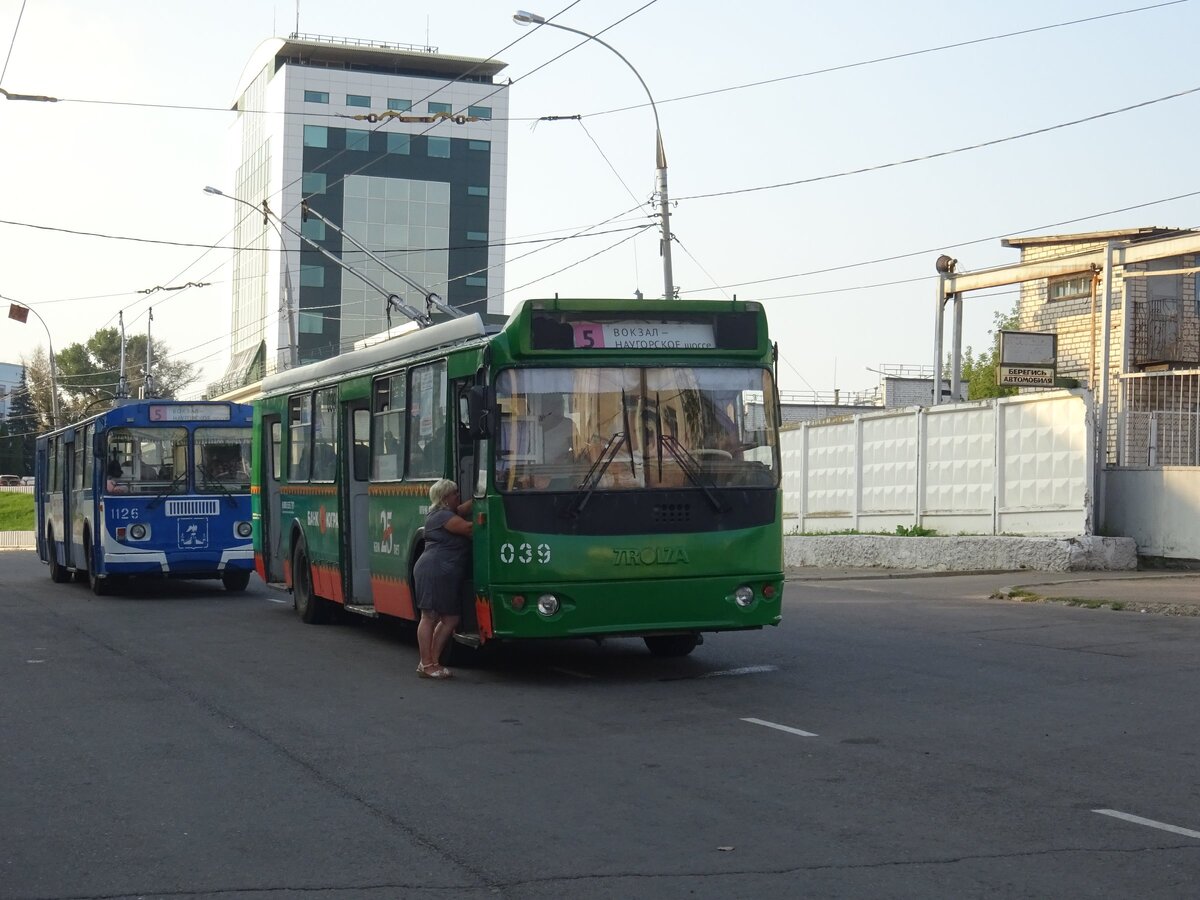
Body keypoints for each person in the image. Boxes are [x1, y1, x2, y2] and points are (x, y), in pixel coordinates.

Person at [413, 478, 473, 679]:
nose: (458, 496)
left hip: (443, 571)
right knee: (429, 616)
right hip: (434, 570)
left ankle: (432, 661)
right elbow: (470, 529)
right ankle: (427, 664)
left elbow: (465, 508)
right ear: (446, 498)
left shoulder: (445, 513)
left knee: (450, 618)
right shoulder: (442, 517)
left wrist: (483, 494)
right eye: (455, 493)